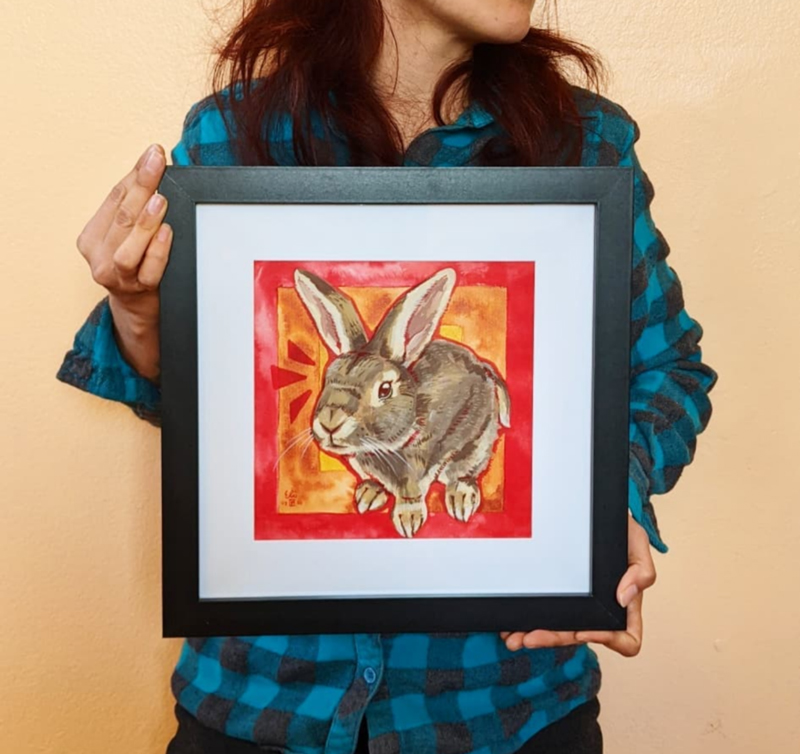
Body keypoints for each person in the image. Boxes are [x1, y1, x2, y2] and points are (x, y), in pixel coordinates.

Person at [56, 1, 717, 752]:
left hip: (500, 706)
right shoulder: (229, 135)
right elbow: (216, 412)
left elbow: (669, 369)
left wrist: (609, 502)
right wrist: (139, 314)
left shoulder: (589, 144)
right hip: (266, 697)